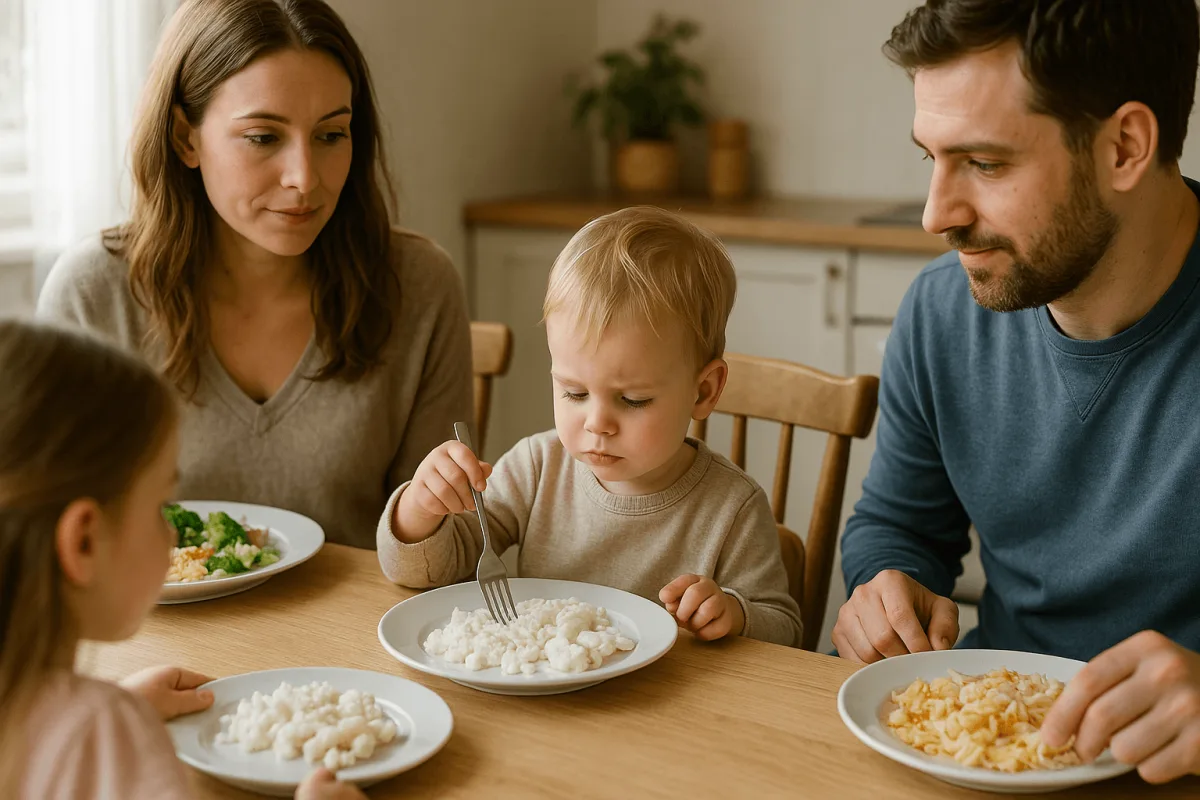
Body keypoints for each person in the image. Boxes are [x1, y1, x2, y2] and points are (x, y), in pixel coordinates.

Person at [835, 0, 1200, 784]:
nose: (938, 214)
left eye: (986, 163)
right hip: (985, 758)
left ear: (1126, 147)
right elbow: (898, 524)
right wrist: (887, 584)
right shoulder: (942, 312)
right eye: (929, 158)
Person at [37, 0, 472, 549]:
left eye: (331, 134)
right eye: (264, 137)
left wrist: (428, 523)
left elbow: (450, 549)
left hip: (354, 633)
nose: (304, 178)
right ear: (184, 138)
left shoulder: (420, 286)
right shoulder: (91, 293)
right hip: (156, 632)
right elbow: (49, 540)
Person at [377, 206, 803, 647]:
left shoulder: (732, 507)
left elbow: (785, 631)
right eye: (574, 393)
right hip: (543, 695)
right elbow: (429, 571)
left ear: (703, 392)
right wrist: (419, 510)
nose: (597, 423)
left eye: (633, 400)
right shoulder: (536, 468)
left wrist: (733, 613)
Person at [0, 319, 364, 799]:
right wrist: (109, 724)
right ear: (84, 543)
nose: (171, 529)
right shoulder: (109, 736)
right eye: (159, 507)